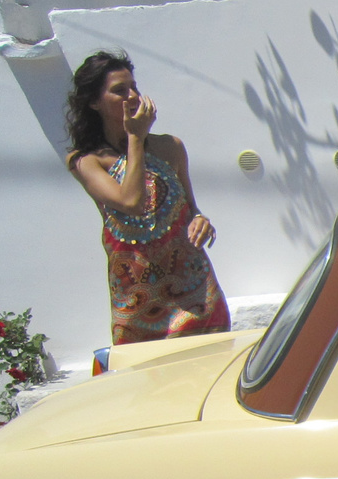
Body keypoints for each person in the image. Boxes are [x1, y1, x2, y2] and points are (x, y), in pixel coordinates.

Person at [64, 51, 230, 344]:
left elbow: (190, 209)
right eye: (119, 91)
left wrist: (201, 220)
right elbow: (130, 202)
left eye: (134, 87)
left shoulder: (171, 148)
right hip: (136, 308)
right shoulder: (87, 162)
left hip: (196, 295)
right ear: (94, 103)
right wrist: (136, 139)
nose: (133, 96)